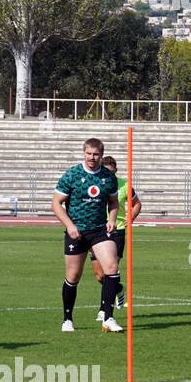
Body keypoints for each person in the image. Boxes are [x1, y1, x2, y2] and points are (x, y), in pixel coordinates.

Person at [53, 138, 122, 333]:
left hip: (99, 230)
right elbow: (56, 203)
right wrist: (69, 225)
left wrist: (112, 219)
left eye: (96, 154)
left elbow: (113, 202)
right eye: (89, 154)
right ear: (84, 153)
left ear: (101, 155)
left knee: (112, 267)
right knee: (73, 276)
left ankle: (108, 317)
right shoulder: (72, 174)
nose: (92, 157)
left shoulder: (108, 177)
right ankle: (67, 319)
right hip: (76, 231)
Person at [91, 156, 140, 322]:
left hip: (117, 231)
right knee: (99, 275)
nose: (109, 174)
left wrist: (130, 217)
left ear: (116, 171)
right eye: (106, 171)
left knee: (109, 270)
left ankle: (103, 309)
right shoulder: (95, 183)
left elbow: (137, 204)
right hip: (97, 231)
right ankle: (118, 288)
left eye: (112, 172)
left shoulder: (124, 185)